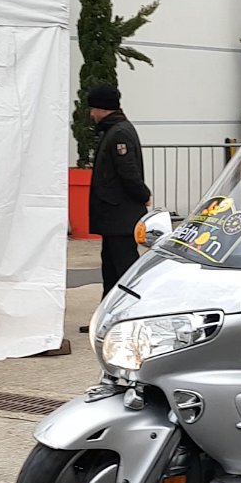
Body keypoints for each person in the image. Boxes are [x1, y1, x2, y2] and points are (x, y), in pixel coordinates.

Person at [82, 85, 151, 332]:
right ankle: (106, 317)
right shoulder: (113, 131)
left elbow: (128, 171)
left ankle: (132, 315)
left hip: (120, 215)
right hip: (113, 216)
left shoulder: (119, 133)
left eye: (93, 108)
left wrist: (143, 195)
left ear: (102, 108)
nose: (91, 114)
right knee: (110, 268)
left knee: (124, 269)